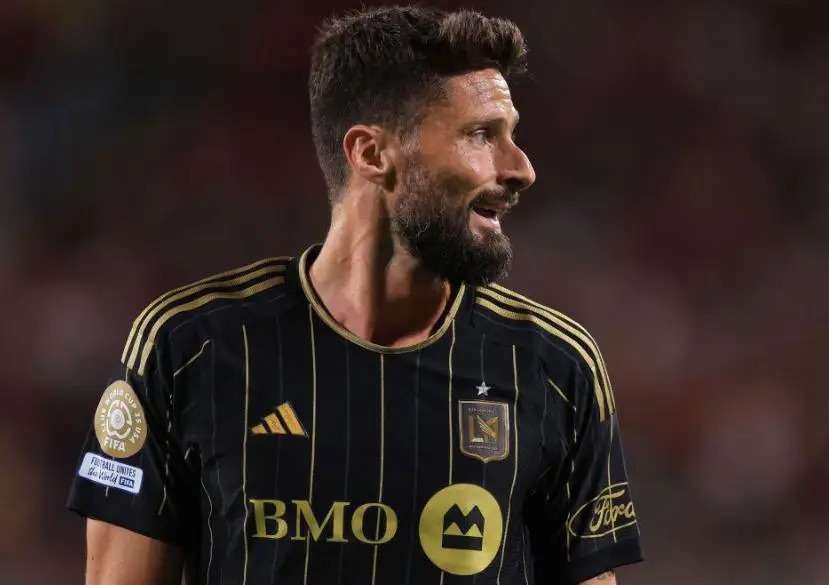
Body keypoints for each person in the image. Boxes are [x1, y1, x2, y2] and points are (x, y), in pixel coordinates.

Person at [67, 6, 643, 584]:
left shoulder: (553, 367)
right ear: (371, 154)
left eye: (510, 135)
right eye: (480, 135)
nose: (521, 168)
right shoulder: (188, 349)